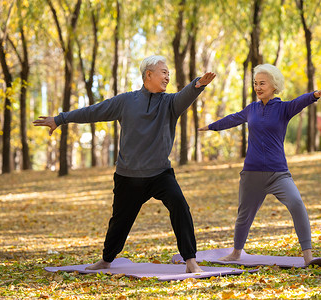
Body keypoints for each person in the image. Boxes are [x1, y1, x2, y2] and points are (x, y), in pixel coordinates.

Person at [34, 55, 216, 273]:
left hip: (160, 174)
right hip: (128, 176)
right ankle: (106, 260)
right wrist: (61, 118)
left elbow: (185, 96)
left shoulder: (170, 104)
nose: (168, 76)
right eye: (164, 72)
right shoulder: (126, 101)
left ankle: (191, 261)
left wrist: (198, 84)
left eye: (169, 73)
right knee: (119, 221)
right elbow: (94, 111)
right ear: (148, 74)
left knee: (179, 205)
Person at [199, 64, 321, 265]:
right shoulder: (251, 109)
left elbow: (301, 101)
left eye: (262, 83)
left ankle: (308, 256)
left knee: (296, 203)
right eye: (255, 83)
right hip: (251, 173)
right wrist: (211, 127)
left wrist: (315, 94)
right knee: (244, 216)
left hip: (278, 173)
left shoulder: (283, 108)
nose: (258, 87)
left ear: (274, 85)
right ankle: (236, 253)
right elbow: (233, 119)